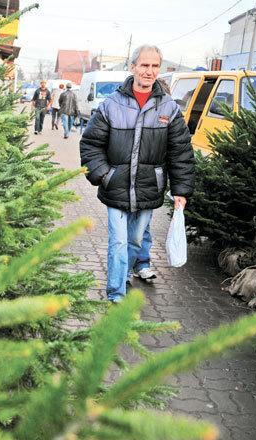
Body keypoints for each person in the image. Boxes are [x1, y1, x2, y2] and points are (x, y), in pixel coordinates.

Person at [79, 44, 194, 303]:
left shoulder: (169, 108)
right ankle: (116, 292)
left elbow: (181, 152)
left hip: (148, 187)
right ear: (133, 67)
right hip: (115, 186)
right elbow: (90, 144)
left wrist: (181, 190)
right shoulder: (111, 105)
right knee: (119, 242)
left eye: (154, 66)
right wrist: (104, 175)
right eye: (144, 65)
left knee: (135, 240)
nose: (149, 71)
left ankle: (126, 274)